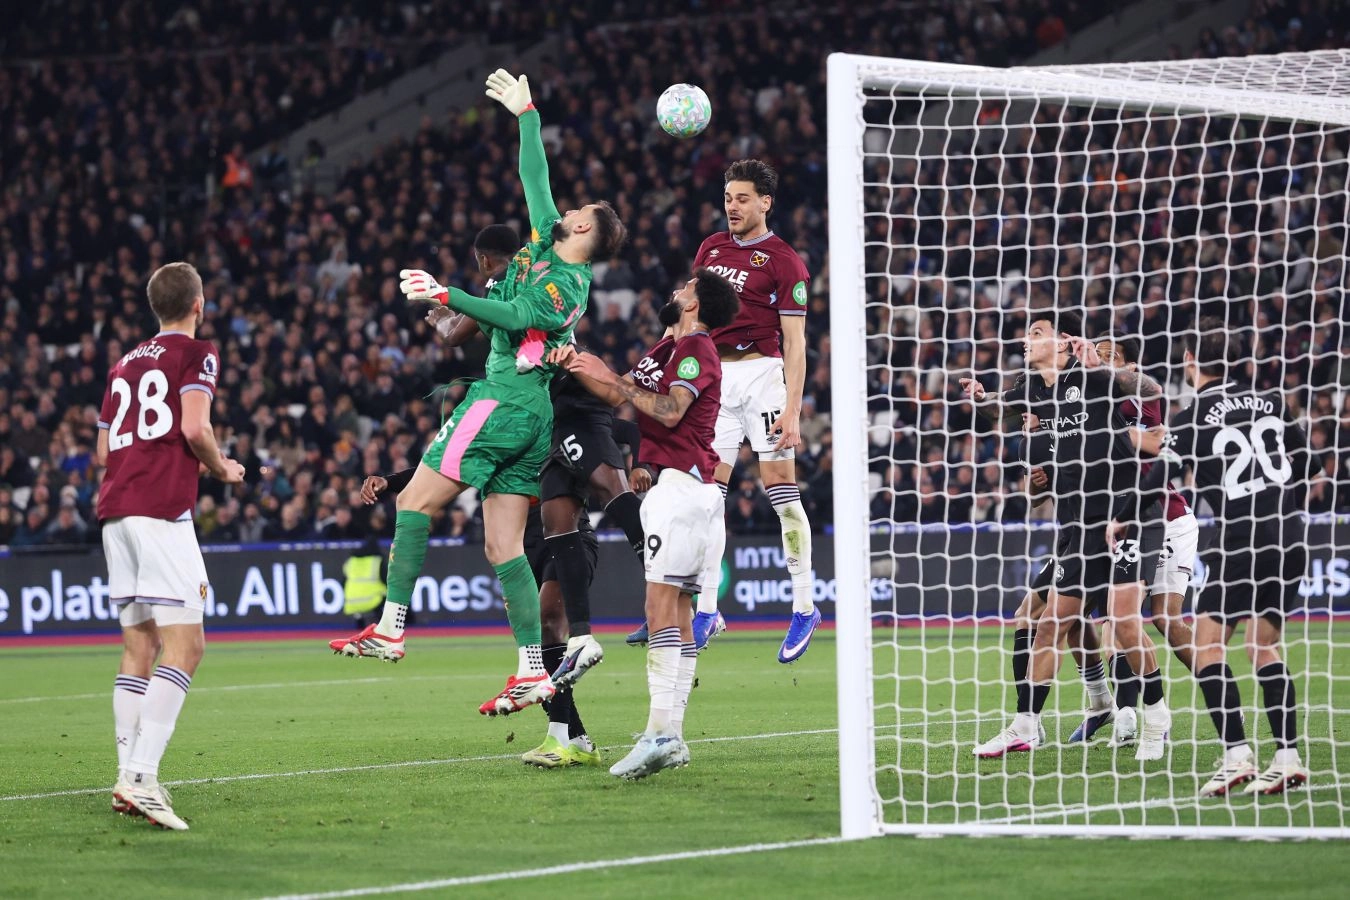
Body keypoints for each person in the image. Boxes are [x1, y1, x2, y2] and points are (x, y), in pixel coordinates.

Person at [327, 68, 627, 720]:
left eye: (578, 214)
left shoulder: (566, 289)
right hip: (531, 419)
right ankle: (531, 670)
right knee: (501, 548)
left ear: (586, 234)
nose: (567, 211)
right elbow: (534, 178)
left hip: (500, 401)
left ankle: (391, 627)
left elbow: (515, 315)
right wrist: (527, 114)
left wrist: (446, 294)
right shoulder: (547, 240)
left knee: (412, 501)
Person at [1107, 318, 1323, 796]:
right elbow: (1311, 463)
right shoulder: (1272, 401)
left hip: (1241, 539)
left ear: (1190, 360)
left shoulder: (1192, 417)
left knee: (1207, 647)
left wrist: (1120, 519)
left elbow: (1157, 478)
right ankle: (1287, 758)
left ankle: (1236, 756)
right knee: (1264, 647)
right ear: (1239, 359)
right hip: (1290, 537)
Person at [428, 225, 649, 688]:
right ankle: (574, 675)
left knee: (608, 488)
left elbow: (478, 326)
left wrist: (447, 302)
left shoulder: (537, 292)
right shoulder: (505, 296)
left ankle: (667, 582)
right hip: (539, 445)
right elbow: (456, 334)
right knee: (556, 542)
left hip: (570, 410)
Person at [629, 159, 820, 664]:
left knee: (781, 493)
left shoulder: (785, 262)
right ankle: (708, 609)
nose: (732, 206)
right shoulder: (711, 248)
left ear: (765, 203)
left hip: (763, 376)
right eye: (728, 198)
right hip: (715, 379)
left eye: (742, 198)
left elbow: (795, 343)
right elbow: (688, 317)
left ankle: (804, 606)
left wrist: (793, 409)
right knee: (706, 497)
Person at [964, 309, 1172, 762]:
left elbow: (1151, 389)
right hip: (1080, 525)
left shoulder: (1091, 377)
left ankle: (1156, 718)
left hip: (1128, 514)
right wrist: (981, 397)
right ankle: (1025, 726)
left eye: (1037, 332)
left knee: (1124, 621)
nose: (1026, 339)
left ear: (1061, 342)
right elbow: (1001, 403)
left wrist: (1100, 368)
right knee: (1049, 625)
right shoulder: (1033, 391)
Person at [557, 267, 740, 779]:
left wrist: (614, 381)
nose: (676, 290)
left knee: (658, 607)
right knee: (678, 613)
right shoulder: (668, 349)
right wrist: (573, 362)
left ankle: (658, 733)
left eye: (685, 288)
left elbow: (670, 410)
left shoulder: (697, 349)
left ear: (694, 305)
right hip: (686, 490)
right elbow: (620, 394)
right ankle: (672, 735)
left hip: (682, 491)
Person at [98, 262, 246, 831]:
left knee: (140, 645)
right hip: (160, 511)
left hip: (117, 511)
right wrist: (221, 467)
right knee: (186, 647)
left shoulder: (123, 363)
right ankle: (140, 778)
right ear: (198, 304)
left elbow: (105, 452)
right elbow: (193, 428)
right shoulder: (197, 353)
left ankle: (126, 774)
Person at [342, 536, 387, 629]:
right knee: (393, 595)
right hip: (373, 601)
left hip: (352, 602)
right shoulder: (377, 561)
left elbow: (343, 582)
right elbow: (387, 581)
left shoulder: (351, 561)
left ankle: (359, 620)